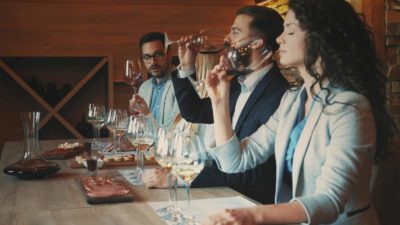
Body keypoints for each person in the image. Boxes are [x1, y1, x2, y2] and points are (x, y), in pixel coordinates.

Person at [202, 0, 397, 224]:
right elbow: (235, 162)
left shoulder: (350, 108)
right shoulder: (292, 101)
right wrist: (219, 101)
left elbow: (330, 200)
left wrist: (253, 214)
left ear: (320, 39)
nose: (279, 39)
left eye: (290, 31)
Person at [143, 6, 288, 204]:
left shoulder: (278, 94)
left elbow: (251, 172)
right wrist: (186, 66)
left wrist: (180, 177)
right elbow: (194, 113)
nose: (227, 38)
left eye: (235, 32)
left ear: (257, 42)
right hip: (223, 195)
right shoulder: (237, 83)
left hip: (248, 204)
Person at [129, 32, 180, 129]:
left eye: (158, 54)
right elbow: (142, 129)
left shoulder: (182, 84)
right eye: (147, 57)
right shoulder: (144, 87)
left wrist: (147, 114)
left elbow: (174, 130)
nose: (153, 62)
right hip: (147, 144)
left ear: (169, 54)